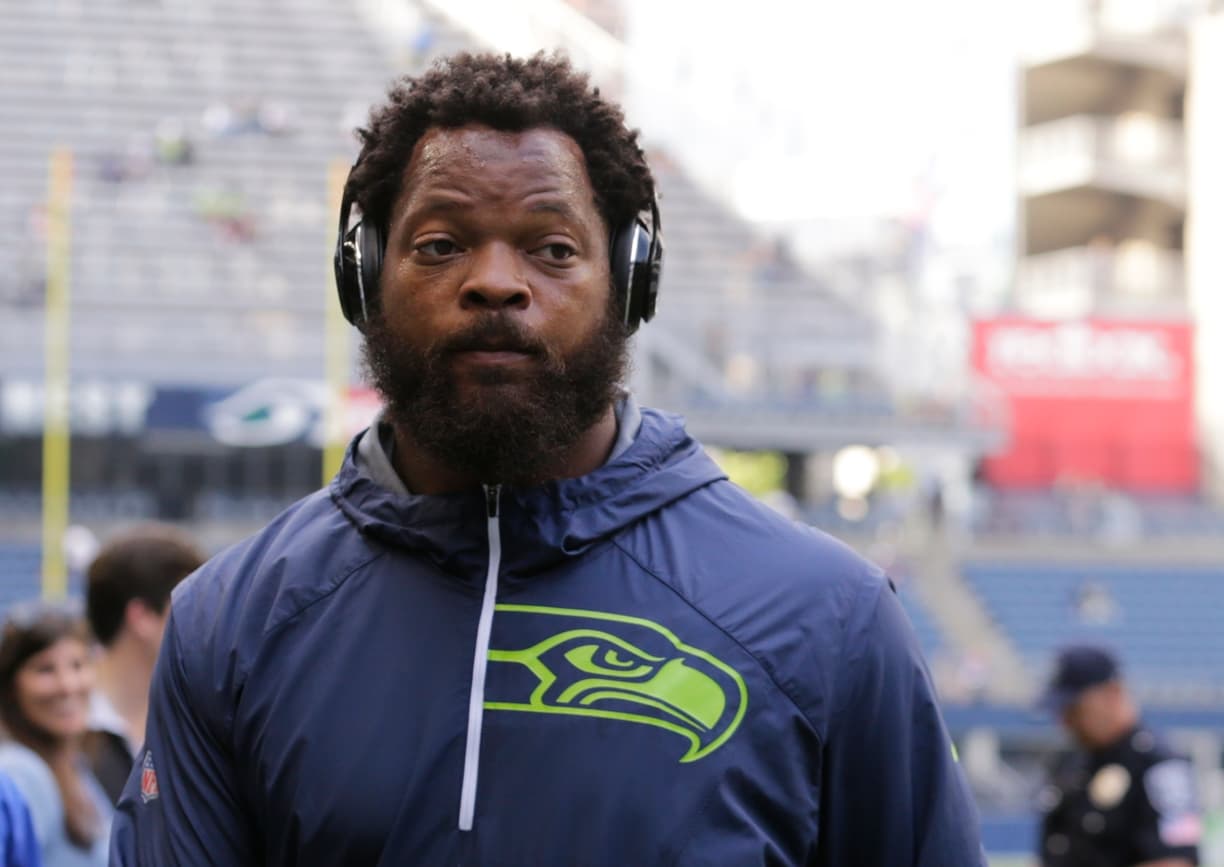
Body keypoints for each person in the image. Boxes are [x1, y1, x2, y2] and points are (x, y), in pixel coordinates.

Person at [110, 51, 984, 866]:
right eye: (441, 244)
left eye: (553, 248)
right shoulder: (229, 625)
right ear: (365, 276)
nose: (496, 280)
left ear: (631, 283)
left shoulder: (829, 616)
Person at [1038, 644, 1200, 867]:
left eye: (1075, 709)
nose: (1065, 721)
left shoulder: (1159, 766)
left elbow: (1174, 862)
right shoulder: (1070, 764)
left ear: (1111, 694)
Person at [83, 526, 205, 801]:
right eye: (193, 607)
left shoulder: (199, 721)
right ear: (143, 617)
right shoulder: (62, 726)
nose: (208, 622)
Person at [0, 602, 111, 867]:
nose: (67, 685)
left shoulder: (75, 764)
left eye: (77, 665)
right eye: (45, 670)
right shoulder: (20, 771)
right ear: (12, 686)